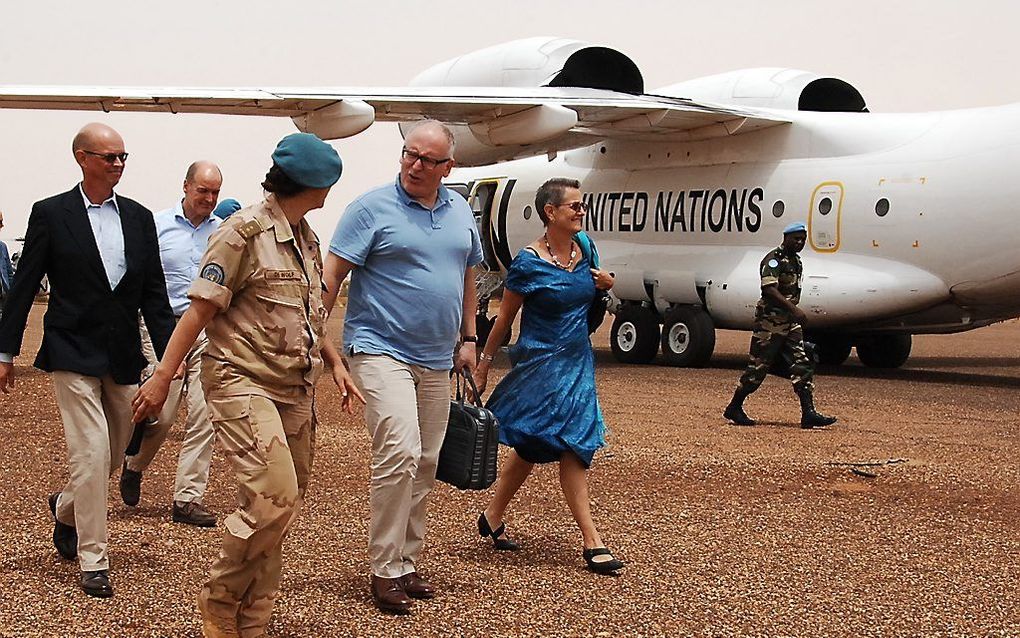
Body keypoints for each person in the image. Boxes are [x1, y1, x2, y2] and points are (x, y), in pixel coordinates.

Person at [132, 132, 363, 638]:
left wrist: (337, 364)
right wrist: (162, 378)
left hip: (295, 388)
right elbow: (198, 312)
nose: (330, 194)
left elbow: (310, 315)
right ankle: (220, 599)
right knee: (272, 497)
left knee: (282, 504)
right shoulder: (242, 233)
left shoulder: (306, 238)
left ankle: (254, 617)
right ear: (312, 184)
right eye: (328, 184)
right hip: (241, 379)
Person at [0, 123, 175, 598]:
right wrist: (5, 350)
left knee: (116, 451)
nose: (118, 164)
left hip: (121, 355)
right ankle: (94, 557)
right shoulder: (51, 214)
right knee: (92, 452)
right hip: (71, 350)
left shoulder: (139, 219)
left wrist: (168, 359)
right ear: (82, 158)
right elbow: (23, 285)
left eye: (123, 157)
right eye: (108, 157)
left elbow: (155, 296)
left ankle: (65, 507)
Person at [322, 120, 482, 615]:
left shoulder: (459, 209)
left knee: (427, 459)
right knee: (400, 448)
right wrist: (313, 339)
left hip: (437, 357)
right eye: (409, 155)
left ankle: (407, 561)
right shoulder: (370, 208)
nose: (415, 165)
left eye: (427, 160)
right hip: (378, 347)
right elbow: (331, 276)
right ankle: (384, 567)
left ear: (447, 168)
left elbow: (468, 271)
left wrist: (470, 337)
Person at [471, 177, 624, 576]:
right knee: (538, 442)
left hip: (577, 362)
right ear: (549, 212)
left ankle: (494, 516)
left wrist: (607, 286)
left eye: (582, 204)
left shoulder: (585, 248)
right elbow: (505, 319)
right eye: (573, 205)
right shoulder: (527, 262)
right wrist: (485, 364)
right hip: (540, 364)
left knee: (567, 444)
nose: (581, 211)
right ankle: (591, 540)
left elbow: (595, 295)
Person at [119, 161, 224, 528]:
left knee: (205, 415)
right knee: (159, 413)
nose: (208, 199)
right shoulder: (156, 226)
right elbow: (139, 281)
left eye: (215, 193)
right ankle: (134, 464)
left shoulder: (223, 233)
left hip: (208, 332)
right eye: (202, 191)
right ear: (186, 187)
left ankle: (188, 498)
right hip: (162, 329)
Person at [723, 222, 838, 429]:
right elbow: (769, 289)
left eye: (803, 239)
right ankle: (735, 406)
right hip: (770, 322)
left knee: (802, 363)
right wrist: (794, 309)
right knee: (758, 368)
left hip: (790, 323)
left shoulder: (796, 261)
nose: (800, 242)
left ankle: (808, 413)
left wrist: (793, 314)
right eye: (796, 238)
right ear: (786, 237)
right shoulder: (774, 260)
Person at [0, 210, 13, 312]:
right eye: (0, 222)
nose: (2, 225)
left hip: (4, 302)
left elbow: (9, 275)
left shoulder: (3, 247)